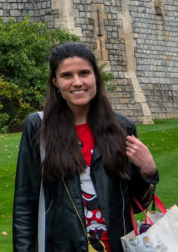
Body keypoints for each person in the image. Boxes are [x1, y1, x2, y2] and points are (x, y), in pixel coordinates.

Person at [13, 42, 159, 251]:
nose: (77, 82)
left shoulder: (122, 127)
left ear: (96, 77)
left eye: (84, 73)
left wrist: (148, 170)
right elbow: (25, 204)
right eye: (67, 76)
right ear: (55, 81)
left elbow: (137, 205)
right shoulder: (38, 127)